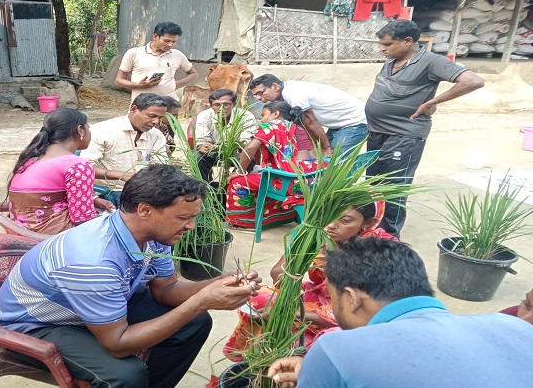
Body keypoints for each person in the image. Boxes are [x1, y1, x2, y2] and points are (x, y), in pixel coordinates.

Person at [0, 164, 262, 388]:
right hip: (35, 324)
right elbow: (118, 345)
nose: (190, 226)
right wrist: (200, 301)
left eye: (192, 217)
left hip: (87, 307)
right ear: (145, 210)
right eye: (182, 218)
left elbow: (165, 290)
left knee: (195, 322)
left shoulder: (154, 234)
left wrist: (217, 283)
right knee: (125, 375)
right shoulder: (93, 260)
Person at [266, 239, 533, 388]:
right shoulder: (517, 329)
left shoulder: (335, 349)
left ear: (351, 298)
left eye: (334, 300)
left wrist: (327, 367)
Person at [224, 201, 394, 359]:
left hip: (351, 311)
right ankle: (257, 359)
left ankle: (300, 366)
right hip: (315, 297)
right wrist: (302, 254)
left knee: (330, 340)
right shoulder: (316, 235)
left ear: (367, 223)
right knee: (257, 298)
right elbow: (278, 278)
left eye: (345, 220)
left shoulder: (380, 250)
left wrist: (292, 314)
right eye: (329, 216)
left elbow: (363, 311)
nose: (331, 225)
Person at [366, 20, 484, 237]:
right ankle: (371, 232)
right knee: (373, 183)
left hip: (404, 134)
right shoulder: (392, 60)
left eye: (388, 44)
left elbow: (473, 81)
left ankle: (389, 239)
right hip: (377, 132)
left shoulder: (431, 61)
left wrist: (432, 102)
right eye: (381, 44)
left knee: (393, 188)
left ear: (408, 41)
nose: (382, 49)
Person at [7, 108, 115, 235]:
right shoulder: (79, 165)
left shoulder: (31, 158)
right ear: (80, 130)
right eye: (88, 128)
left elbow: (43, 196)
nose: (89, 133)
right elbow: (82, 219)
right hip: (49, 234)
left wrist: (93, 199)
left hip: (20, 230)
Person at [225, 101, 320, 229]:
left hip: (293, 182)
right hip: (312, 179)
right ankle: (283, 216)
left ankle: (242, 221)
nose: (261, 119)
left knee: (238, 181)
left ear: (275, 114)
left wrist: (239, 171)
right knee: (264, 173)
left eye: (263, 115)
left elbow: (250, 148)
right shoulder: (297, 127)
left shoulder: (272, 126)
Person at [81, 93, 169, 206]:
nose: (156, 122)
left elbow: (160, 165)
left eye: (160, 118)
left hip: (146, 190)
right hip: (110, 191)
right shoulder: (103, 131)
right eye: (152, 116)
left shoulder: (156, 135)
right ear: (133, 109)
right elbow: (84, 169)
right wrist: (122, 175)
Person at [249, 75, 368, 157]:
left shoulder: (293, 94)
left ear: (275, 86)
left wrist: (326, 148)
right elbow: (305, 124)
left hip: (354, 122)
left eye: (260, 92)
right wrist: (319, 147)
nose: (258, 97)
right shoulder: (288, 91)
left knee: (336, 163)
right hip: (339, 124)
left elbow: (310, 121)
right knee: (326, 160)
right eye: (255, 95)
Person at [115, 22, 199, 101]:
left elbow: (194, 74)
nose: (170, 44)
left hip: (169, 104)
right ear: (155, 36)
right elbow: (119, 80)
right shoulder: (134, 53)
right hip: (142, 105)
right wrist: (139, 85)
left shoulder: (178, 55)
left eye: (174, 41)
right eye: (167, 41)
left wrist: (174, 83)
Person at [194, 88, 258, 181]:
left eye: (226, 104)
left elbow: (247, 144)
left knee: (249, 159)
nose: (221, 109)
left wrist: (235, 143)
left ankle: (232, 186)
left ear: (234, 104)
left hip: (236, 151)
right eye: (216, 105)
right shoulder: (204, 116)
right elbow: (201, 140)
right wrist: (202, 146)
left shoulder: (246, 116)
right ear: (211, 105)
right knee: (198, 157)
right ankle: (207, 187)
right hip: (214, 150)